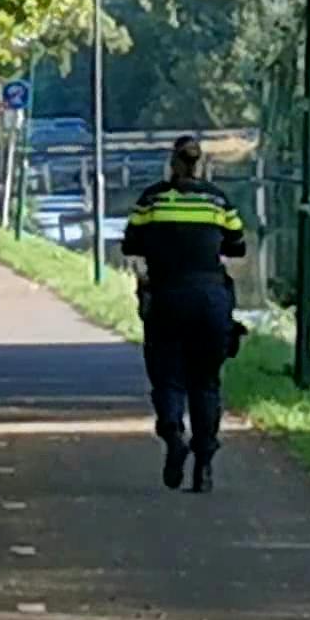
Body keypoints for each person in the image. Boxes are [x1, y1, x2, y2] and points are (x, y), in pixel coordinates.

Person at [120, 135, 245, 493]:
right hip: (210, 299)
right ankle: (204, 463)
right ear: (200, 164)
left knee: (168, 376)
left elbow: (131, 243)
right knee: (205, 382)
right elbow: (237, 246)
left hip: (167, 296)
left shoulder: (152, 199)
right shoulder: (218, 201)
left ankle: (174, 435)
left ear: (172, 163)